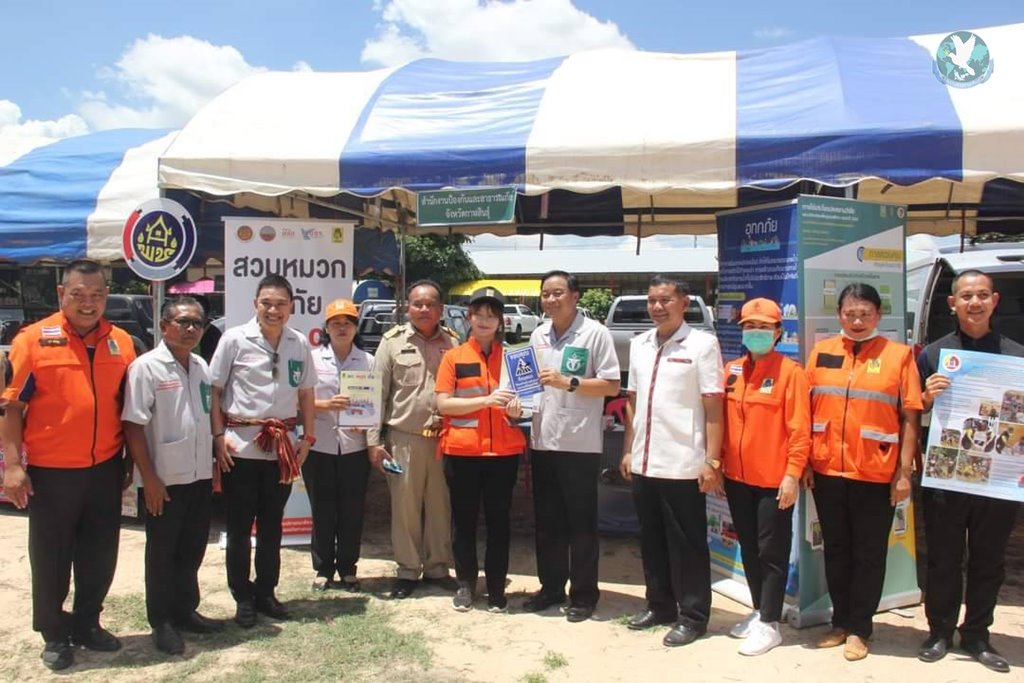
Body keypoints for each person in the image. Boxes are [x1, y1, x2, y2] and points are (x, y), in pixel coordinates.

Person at [1, 259, 136, 671]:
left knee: (100, 553)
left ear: (106, 296)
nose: (88, 303)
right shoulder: (32, 341)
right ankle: (54, 633)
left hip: (105, 467)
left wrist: (129, 460)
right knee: (52, 557)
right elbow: (11, 407)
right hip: (52, 471)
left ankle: (88, 623)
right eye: (78, 294)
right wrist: (12, 466)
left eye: (97, 295)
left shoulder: (121, 343)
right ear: (62, 294)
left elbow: (129, 408)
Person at [805, 283, 922, 661]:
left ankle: (860, 628)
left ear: (878, 315)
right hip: (827, 469)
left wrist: (903, 472)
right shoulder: (822, 352)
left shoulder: (899, 356)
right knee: (836, 549)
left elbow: (910, 417)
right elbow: (806, 410)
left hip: (875, 472)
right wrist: (805, 462)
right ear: (839, 314)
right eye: (850, 314)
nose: (857, 321)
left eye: (865, 314)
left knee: (869, 554)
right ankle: (840, 622)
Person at [916, 269, 1022, 673]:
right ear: (952, 303)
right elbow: (912, 412)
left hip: (998, 479)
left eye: (981, 295)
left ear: (994, 301)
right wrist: (926, 397)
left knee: (988, 561)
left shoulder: (1017, 356)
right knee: (943, 559)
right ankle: (939, 632)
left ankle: (977, 634)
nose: (974, 302)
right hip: (948, 475)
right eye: (965, 296)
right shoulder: (933, 355)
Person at [618, 275, 724, 646]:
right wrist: (629, 449)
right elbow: (632, 401)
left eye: (665, 300)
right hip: (645, 460)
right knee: (651, 539)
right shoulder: (640, 344)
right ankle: (659, 604)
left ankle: (693, 616)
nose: (657, 307)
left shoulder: (702, 345)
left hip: (684, 463)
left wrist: (712, 461)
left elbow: (714, 406)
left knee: (688, 544)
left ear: (685, 302)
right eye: (652, 300)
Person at [210, 274, 316, 627]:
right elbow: (214, 391)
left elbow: (306, 394)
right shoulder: (234, 339)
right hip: (240, 448)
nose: (273, 310)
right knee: (240, 527)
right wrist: (217, 436)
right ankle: (242, 596)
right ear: (255, 304)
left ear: (291, 307)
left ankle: (266, 592)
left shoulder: (299, 343)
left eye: (281, 304)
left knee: (272, 526)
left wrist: (308, 438)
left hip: (282, 450)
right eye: (266, 303)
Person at [122, 296, 223, 655]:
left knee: (192, 547)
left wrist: (213, 461)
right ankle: (162, 621)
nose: (191, 329)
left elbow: (205, 416)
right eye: (183, 322)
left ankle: (185, 610)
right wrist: (149, 478)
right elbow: (133, 426)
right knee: (162, 552)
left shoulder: (200, 365)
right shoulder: (146, 367)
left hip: (198, 474)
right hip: (164, 479)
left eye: (198, 323)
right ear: (165, 326)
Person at [523, 270, 620, 623]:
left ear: (575, 296)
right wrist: (519, 403)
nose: (550, 300)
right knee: (547, 522)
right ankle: (550, 588)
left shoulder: (595, 333)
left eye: (558, 293)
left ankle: (583, 595)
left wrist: (570, 382)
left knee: (581, 523)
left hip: (579, 442)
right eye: (545, 294)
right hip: (543, 438)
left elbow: (612, 385)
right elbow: (529, 383)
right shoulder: (538, 334)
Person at [720, 297, 810, 655]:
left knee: (772, 552)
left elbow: (800, 430)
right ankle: (760, 611)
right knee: (749, 548)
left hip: (774, 480)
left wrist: (792, 475)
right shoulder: (732, 370)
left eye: (763, 327)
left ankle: (771, 624)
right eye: (750, 326)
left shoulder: (791, 373)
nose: (756, 332)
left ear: (778, 332)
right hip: (737, 478)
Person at [435, 288, 526, 613]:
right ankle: (465, 585)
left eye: (492, 315)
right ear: (469, 317)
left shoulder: (515, 358)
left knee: (499, 523)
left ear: (501, 321)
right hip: (463, 453)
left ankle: (497, 588)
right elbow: (443, 404)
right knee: (464, 522)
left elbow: (528, 405)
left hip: (503, 455)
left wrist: (518, 411)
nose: (485, 321)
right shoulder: (453, 357)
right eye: (479, 314)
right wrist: (485, 401)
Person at [368, 280, 460, 599]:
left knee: (440, 506)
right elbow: (376, 394)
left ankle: (437, 567)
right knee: (404, 507)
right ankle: (407, 570)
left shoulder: (453, 342)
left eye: (430, 304)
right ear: (408, 307)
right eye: (417, 304)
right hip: (403, 440)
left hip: (444, 440)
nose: (423, 309)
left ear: (440, 309)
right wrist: (373, 441)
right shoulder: (391, 342)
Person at [303, 298, 374, 593]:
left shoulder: (368, 361)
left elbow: (375, 404)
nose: (342, 328)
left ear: (356, 328)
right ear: (326, 328)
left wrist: (367, 420)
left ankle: (348, 568)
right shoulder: (312, 359)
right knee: (322, 509)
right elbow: (299, 400)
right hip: (319, 445)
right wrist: (325, 405)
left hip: (354, 447)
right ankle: (323, 569)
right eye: (336, 323)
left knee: (352, 511)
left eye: (347, 323)